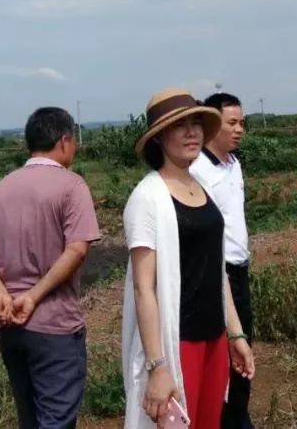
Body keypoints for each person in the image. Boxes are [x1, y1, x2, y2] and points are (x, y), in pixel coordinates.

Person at [122, 88, 255, 429]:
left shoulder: (201, 187)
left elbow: (217, 271)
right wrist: (157, 365)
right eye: (180, 125)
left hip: (214, 337)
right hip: (178, 341)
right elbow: (143, 289)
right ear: (160, 136)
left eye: (197, 123)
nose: (192, 132)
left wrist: (236, 335)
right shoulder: (147, 198)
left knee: (210, 422)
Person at [0, 107, 101, 429]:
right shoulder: (71, 185)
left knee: (29, 417)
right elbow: (77, 249)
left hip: (9, 327)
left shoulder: (3, 188)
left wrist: (0, 292)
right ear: (65, 140)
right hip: (54, 326)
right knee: (56, 420)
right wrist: (33, 296)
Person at [189, 93, 254, 429]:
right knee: (225, 354)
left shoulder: (234, 163)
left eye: (241, 122)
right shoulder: (198, 171)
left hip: (240, 272)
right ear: (213, 125)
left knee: (243, 348)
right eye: (231, 123)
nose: (239, 129)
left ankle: (238, 415)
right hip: (217, 275)